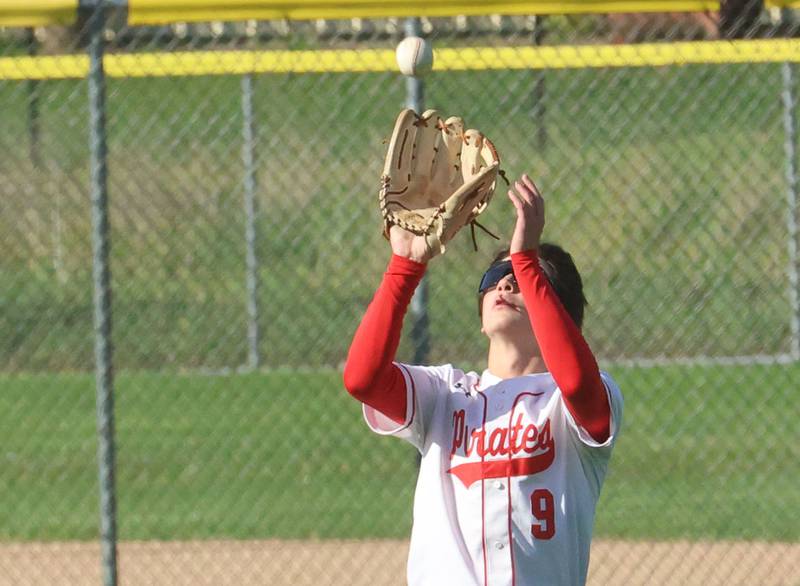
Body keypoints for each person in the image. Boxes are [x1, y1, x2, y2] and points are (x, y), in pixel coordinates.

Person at [343, 174, 623, 586]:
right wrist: (405, 266)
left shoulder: (572, 402)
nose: (505, 282)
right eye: (495, 278)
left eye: (525, 278)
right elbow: (363, 379)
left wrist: (526, 259)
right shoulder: (444, 395)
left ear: (558, 312)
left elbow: (579, 386)